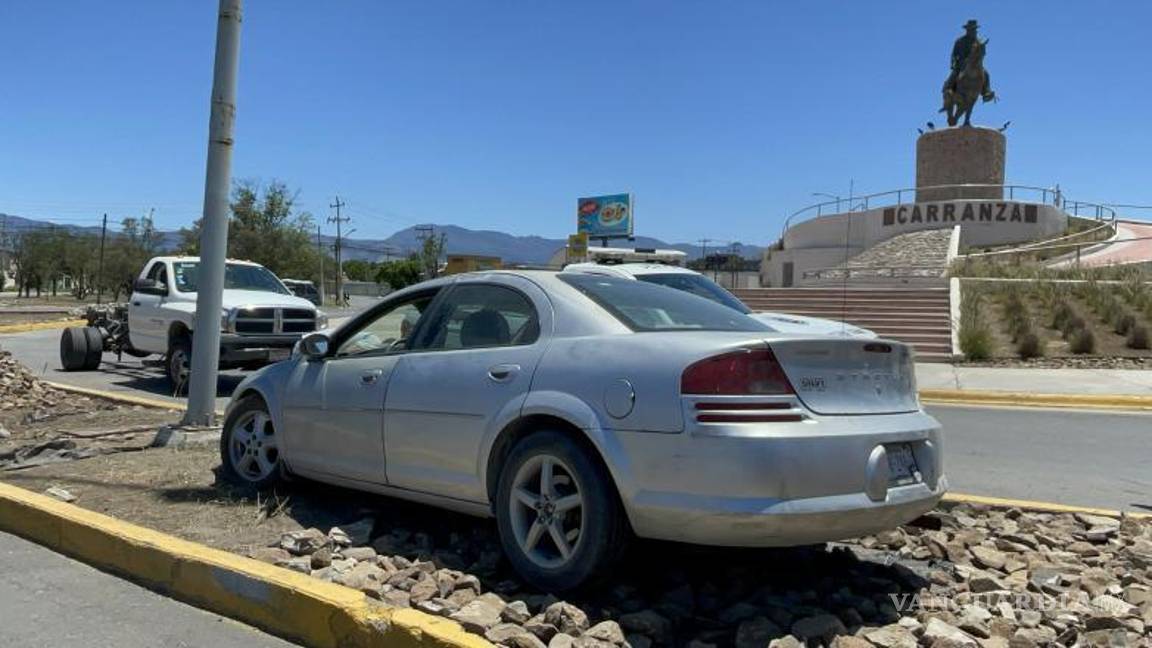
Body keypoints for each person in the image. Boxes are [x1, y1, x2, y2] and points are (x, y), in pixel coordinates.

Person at [942, 20, 994, 105]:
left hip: (974, 63)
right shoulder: (960, 41)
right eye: (972, 29)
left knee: (986, 73)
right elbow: (954, 54)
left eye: (974, 29)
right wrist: (953, 63)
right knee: (954, 74)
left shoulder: (978, 41)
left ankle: (986, 92)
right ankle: (949, 89)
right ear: (967, 30)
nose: (974, 31)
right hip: (961, 63)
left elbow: (982, 54)